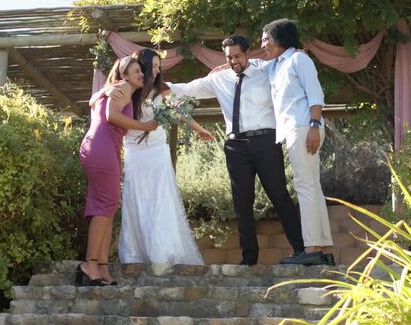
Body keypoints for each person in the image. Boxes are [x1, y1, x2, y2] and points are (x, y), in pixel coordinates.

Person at [166, 35, 305, 266]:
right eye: (229, 57)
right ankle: (249, 259)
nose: (233, 61)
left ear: (247, 53)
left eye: (237, 56)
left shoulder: (266, 71)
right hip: (235, 146)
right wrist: (159, 86)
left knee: (279, 195)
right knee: (242, 202)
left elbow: (288, 63)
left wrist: (298, 53)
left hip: (266, 141)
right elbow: (188, 89)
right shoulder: (219, 78)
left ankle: (301, 250)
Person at [117, 48, 210, 265]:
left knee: (160, 198)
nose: (157, 71)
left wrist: (198, 129)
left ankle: (162, 252)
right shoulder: (128, 88)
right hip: (134, 149)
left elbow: (178, 112)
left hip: (157, 149)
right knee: (136, 197)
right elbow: (102, 98)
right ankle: (136, 253)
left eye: (160, 66)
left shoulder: (163, 90)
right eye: (154, 66)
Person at [77, 55, 158, 286]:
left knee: (107, 206)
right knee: (105, 206)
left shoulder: (117, 89)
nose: (141, 75)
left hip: (102, 147)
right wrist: (144, 126)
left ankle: (101, 266)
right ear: (123, 75)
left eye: (141, 72)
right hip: (101, 147)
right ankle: (89, 264)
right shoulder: (121, 87)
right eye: (135, 71)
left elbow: (98, 103)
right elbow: (111, 116)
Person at [259, 19, 334, 265]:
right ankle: (322, 248)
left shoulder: (299, 60)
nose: (262, 45)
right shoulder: (275, 66)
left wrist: (314, 126)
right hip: (296, 130)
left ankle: (311, 249)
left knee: (305, 186)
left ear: (280, 39)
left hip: (304, 128)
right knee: (312, 186)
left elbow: (315, 95)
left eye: (266, 39)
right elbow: (252, 66)